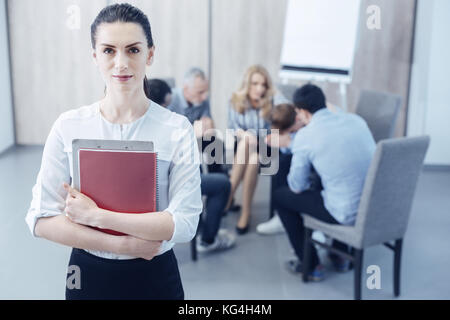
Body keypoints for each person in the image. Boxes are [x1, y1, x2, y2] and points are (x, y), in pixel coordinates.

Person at [25, 3, 203, 300]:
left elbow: (184, 224)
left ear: (150, 54)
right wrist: (124, 245)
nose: (121, 63)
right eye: (109, 50)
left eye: (133, 50)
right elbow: (41, 220)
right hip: (87, 273)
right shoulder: (69, 127)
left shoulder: (177, 128)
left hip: (155, 272)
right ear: (95, 56)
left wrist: (98, 216)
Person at [273, 84, 375, 281]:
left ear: (301, 112)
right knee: (335, 178)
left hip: (344, 213)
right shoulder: (357, 121)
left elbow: (297, 186)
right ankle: (340, 255)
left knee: (281, 197)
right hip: (371, 209)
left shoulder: (305, 136)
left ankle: (310, 266)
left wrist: (291, 145)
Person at [226, 65, 288, 234]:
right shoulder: (235, 100)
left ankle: (228, 196)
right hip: (246, 148)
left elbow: (289, 109)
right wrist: (245, 135)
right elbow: (232, 127)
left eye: (263, 85)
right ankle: (245, 211)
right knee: (250, 152)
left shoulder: (272, 100)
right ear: (247, 83)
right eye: (255, 84)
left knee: (251, 147)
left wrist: (275, 94)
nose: (259, 88)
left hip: (269, 148)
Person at [168, 68, 223, 174]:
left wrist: (208, 128)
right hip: (176, 142)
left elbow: (209, 125)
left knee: (216, 144)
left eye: (206, 91)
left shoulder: (203, 100)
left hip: (195, 139)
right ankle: (200, 180)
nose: (204, 96)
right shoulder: (171, 99)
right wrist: (192, 130)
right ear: (186, 89)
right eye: (200, 92)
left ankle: (216, 180)